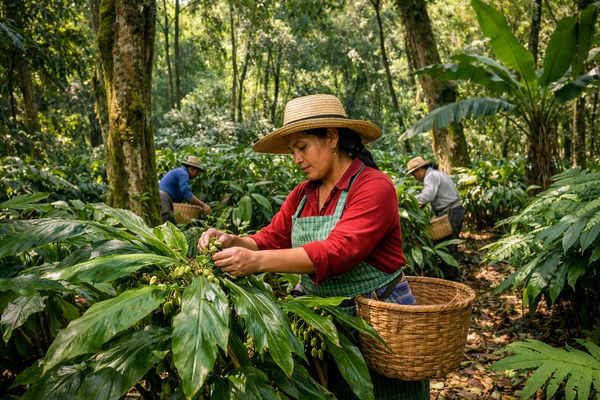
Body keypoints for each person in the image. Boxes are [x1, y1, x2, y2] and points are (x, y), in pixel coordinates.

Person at [198, 94, 429, 399]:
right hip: (320, 321)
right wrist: (234, 240)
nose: (297, 159)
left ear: (332, 138)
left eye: (302, 147)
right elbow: (271, 238)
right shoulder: (302, 195)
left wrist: (256, 262)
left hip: (380, 320)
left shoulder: (374, 186)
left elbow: (338, 251)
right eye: (293, 151)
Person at [406, 156, 464, 281]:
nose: (415, 177)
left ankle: (453, 280)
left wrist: (410, 201)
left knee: (448, 248)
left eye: (414, 174)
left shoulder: (430, 176)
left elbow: (428, 195)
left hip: (451, 212)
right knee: (450, 246)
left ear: (419, 170)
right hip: (455, 210)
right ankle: (452, 276)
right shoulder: (438, 173)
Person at [159, 155, 212, 223]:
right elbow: (187, 194)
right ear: (192, 168)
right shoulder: (183, 174)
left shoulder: (180, 171)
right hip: (164, 197)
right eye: (197, 172)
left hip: (167, 197)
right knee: (165, 220)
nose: (197, 175)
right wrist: (204, 205)